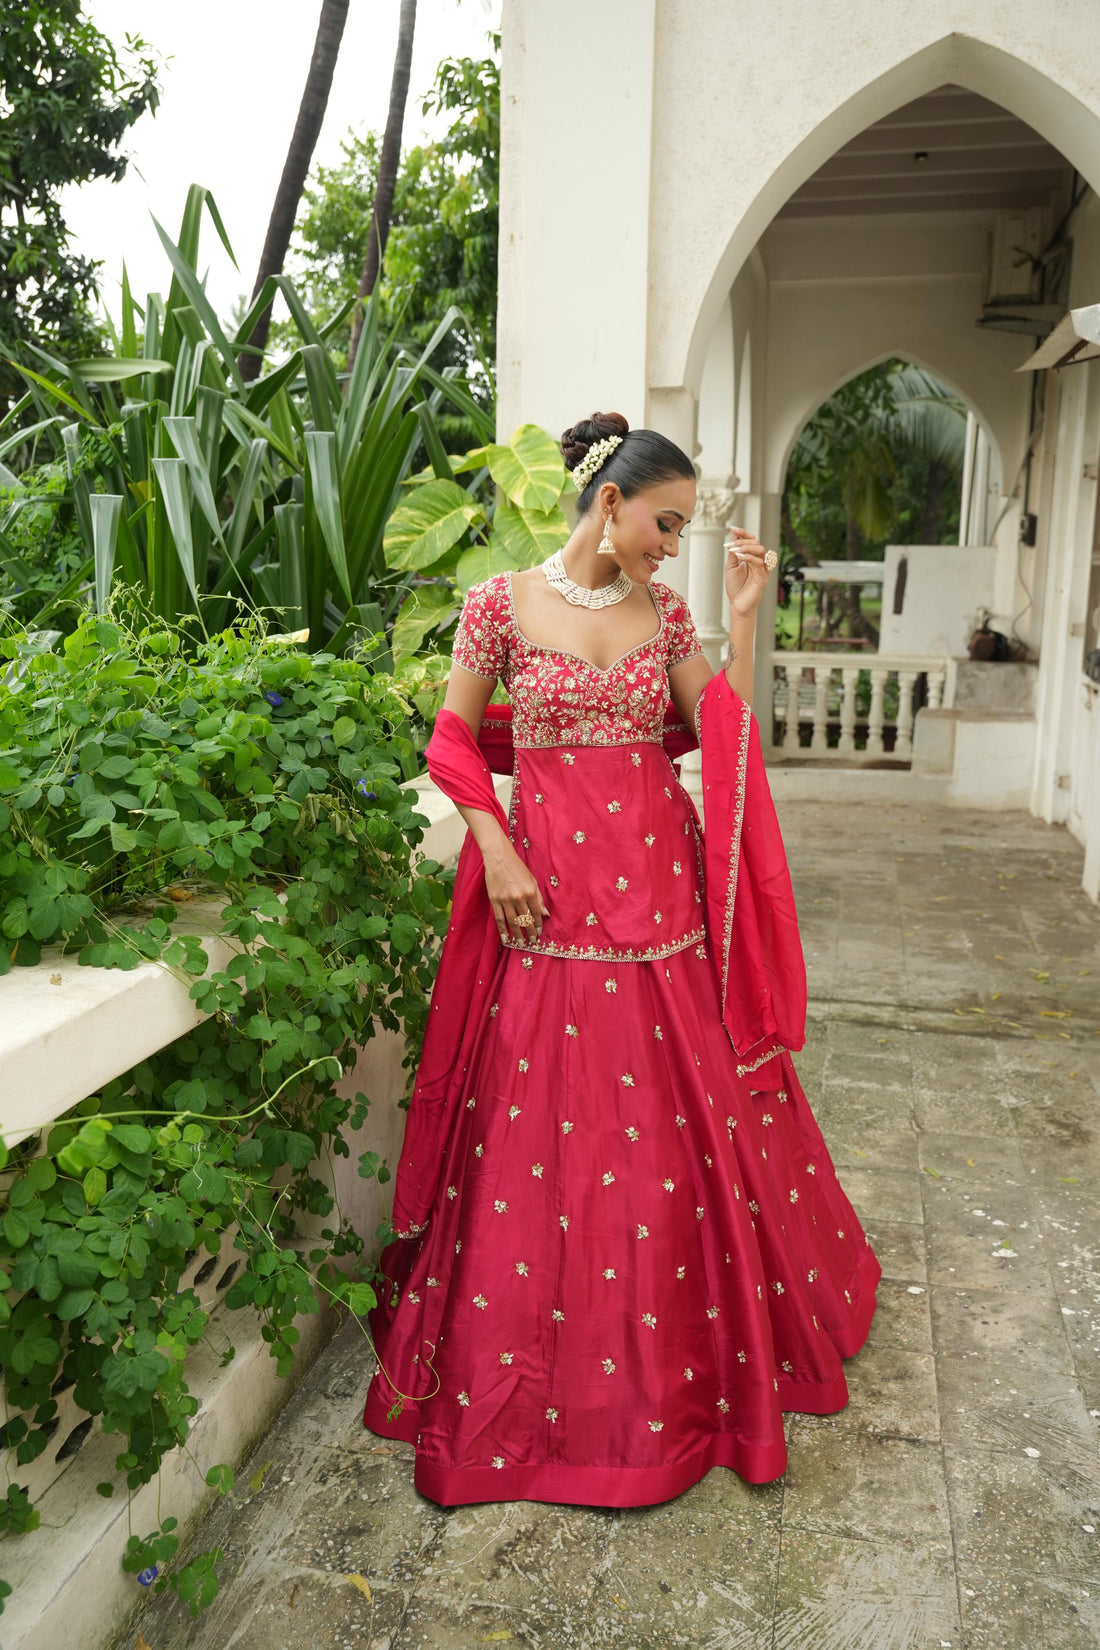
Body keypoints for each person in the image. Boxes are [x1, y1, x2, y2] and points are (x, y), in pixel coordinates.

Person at [361, 410, 881, 1507]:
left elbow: (716, 729)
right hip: (541, 905)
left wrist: (737, 623)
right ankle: (530, 1391)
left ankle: (685, 1386)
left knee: (673, 1133)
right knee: (537, 1137)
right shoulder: (496, 603)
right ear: (609, 501)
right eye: (664, 522)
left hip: (658, 906)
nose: (669, 544)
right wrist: (495, 848)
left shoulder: (670, 611)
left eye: (681, 529)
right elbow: (452, 742)